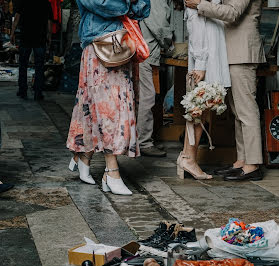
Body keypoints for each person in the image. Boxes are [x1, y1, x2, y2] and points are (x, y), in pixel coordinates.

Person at [66, 0, 151, 196]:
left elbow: (143, 9)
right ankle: (111, 173)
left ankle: (83, 156)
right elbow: (106, 5)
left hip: (122, 44)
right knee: (109, 108)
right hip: (100, 45)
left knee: (97, 106)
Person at [185, 0, 266, 181]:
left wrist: (200, 5)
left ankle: (253, 165)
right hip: (232, 52)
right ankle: (242, 161)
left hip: (242, 52)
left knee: (247, 111)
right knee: (238, 113)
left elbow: (232, 13)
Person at [175, 0, 231, 180]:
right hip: (207, 59)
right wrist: (200, 62)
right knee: (200, 106)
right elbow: (195, 24)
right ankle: (189, 159)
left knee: (201, 107)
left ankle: (186, 156)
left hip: (212, 54)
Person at [138, 0, 174, 157]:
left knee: (140, 96)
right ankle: (143, 142)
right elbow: (160, 27)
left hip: (139, 49)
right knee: (147, 97)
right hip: (144, 51)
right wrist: (170, 45)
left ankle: (136, 140)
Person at [10, 0, 53, 100]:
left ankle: (22, 91)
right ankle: (38, 93)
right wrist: (49, 36)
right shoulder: (45, 3)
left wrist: (12, 33)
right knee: (39, 67)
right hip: (40, 39)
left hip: (26, 37)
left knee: (23, 65)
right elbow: (49, 21)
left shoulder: (24, 2)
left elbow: (17, 17)